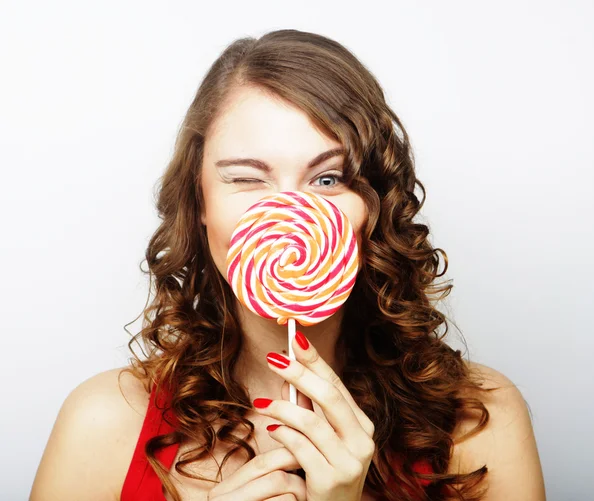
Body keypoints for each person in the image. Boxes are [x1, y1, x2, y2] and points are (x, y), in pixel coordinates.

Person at [30, 29, 546, 501]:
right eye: (247, 178)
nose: (291, 210)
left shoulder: (481, 422)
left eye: (328, 179)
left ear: (374, 204)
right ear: (201, 201)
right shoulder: (101, 425)